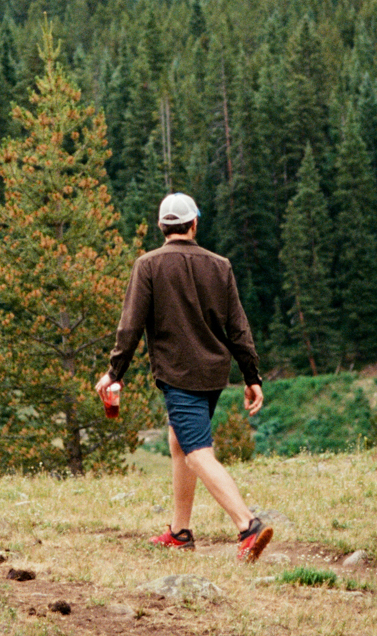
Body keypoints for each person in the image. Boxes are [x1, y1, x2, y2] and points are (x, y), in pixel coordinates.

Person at [98, 191, 274, 562]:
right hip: (212, 374)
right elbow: (238, 328)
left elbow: (130, 327)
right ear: (194, 224)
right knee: (179, 443)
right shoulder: (220, 265)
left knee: (196, 453)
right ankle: (180, 533)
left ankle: (247, 526)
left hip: (179, 376)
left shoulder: (148, 265)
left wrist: (114, 371)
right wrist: (251, 375)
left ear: (162, 227)